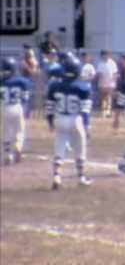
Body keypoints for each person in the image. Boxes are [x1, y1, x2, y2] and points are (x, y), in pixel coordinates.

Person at [45, 57, 93, 190]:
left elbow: (49, 106)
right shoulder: (83, 88)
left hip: (59, 118)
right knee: (79, 148)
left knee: (59, 147)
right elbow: (85, 110)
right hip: (75, 119)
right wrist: (87, 125)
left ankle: (56, 176)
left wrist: (50, 122)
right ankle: (81, 176)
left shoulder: (54, 86)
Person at [0, 58, 32, 165]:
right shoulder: (22, 81)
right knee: (20, 130)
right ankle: (18, 146)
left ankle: (7, 155)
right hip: (17, 107)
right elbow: (25, 98)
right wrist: (27, 110)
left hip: (4, 107)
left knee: (6, 132)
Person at [96, 50, 118, 117]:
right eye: (103, 55)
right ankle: (103, 111)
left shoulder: (112, 63)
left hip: (110, 83)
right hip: (102, 83)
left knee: (109, 97)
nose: (105, 56)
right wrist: (100, 80)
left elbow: (115, 73)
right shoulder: (100, 64)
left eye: (106, 54)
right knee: (103, 98)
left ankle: (108, 111)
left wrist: (114, 81)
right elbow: (99, 74)